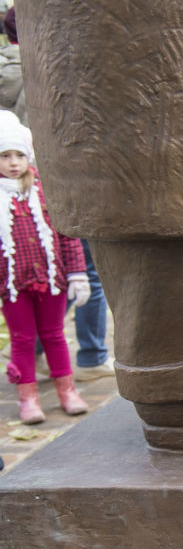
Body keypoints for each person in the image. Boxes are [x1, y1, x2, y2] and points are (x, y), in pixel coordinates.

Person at [0, 112, 91, 424]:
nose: (13, 163)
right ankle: (28, 397)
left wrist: (77, 273)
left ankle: (67, 390)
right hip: (13, 285)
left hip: (52, 280)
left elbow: (66, 235)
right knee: (23, 339)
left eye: (19, 155)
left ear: (28, 157)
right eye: (5, 156)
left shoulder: (44, 192)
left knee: (54, 335)